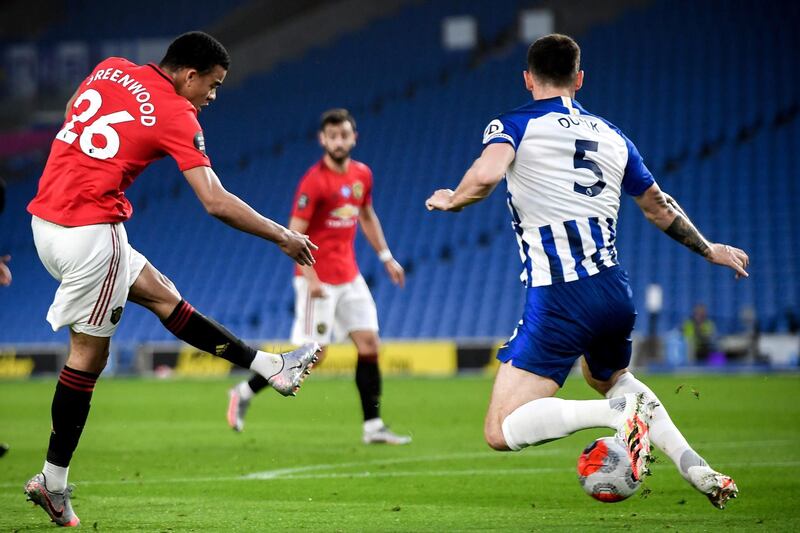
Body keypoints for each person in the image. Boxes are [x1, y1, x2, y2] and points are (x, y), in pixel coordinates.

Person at [426, 34, 748, 509]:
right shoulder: (614, 136)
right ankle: (696, 467)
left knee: (499, 430)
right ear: (579, 79)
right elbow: (658, 206)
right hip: (614, 293)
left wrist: (454, 198)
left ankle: (617, 416)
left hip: (560, 296)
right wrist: (708, 248)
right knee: (609, 376)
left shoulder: (512, 124)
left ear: (527, 78)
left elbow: (489, 173)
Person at [23, 32, 321, 527]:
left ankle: (271, 366)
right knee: (89, 355)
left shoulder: (111, 66)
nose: (213, 96)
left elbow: (78, 109)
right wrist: (282, 236)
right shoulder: (178, 114)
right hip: (91, 232)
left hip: (45, 222)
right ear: (189, 74)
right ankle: (52, 482)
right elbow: (214, 200)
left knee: (164, 297)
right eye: (213, 84)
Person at [227, 109, 411, 445]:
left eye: (344, 135)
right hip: (318, 279)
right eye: (333, 136)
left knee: (370, 345)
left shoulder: (362, 175)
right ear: (322, 140)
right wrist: (310, 278)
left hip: (350, 275)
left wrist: (386, 257)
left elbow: (366, 214)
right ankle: (243, 391)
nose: (339, 141)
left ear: (354, 137)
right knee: (314, 354)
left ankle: (373, 427)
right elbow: (294, 232)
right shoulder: (314, 181)